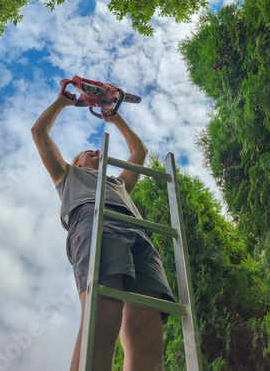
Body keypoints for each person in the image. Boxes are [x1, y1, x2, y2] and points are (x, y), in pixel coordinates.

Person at [31, 90, 174, 371]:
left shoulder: (119, 183)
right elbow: (39, 132)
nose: (95, 150)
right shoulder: (67, 175)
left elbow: (139, 153)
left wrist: (114, 118)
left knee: (148, 327)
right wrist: (64, 101)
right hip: (95, 222)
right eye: (87, 152)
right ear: (78, 163)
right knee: (103, 311)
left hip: (138, 233)